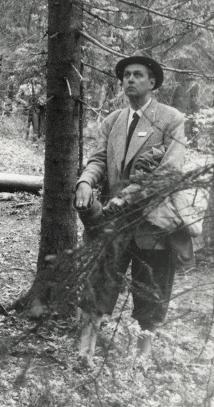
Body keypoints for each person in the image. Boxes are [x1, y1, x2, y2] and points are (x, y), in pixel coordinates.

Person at [74, 55, 186, 364]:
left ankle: (142, 355)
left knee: (151, 287)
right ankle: (86, 349)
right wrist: (85, 181)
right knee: (101, 278)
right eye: (126, 75)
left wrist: (129, 197)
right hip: (113, 220)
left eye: (138, 75)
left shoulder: (172, 119)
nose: (130, 79)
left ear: (152, 82)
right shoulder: (113, 120)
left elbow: (170, 171)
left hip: (154, 221)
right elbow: (98, 159)